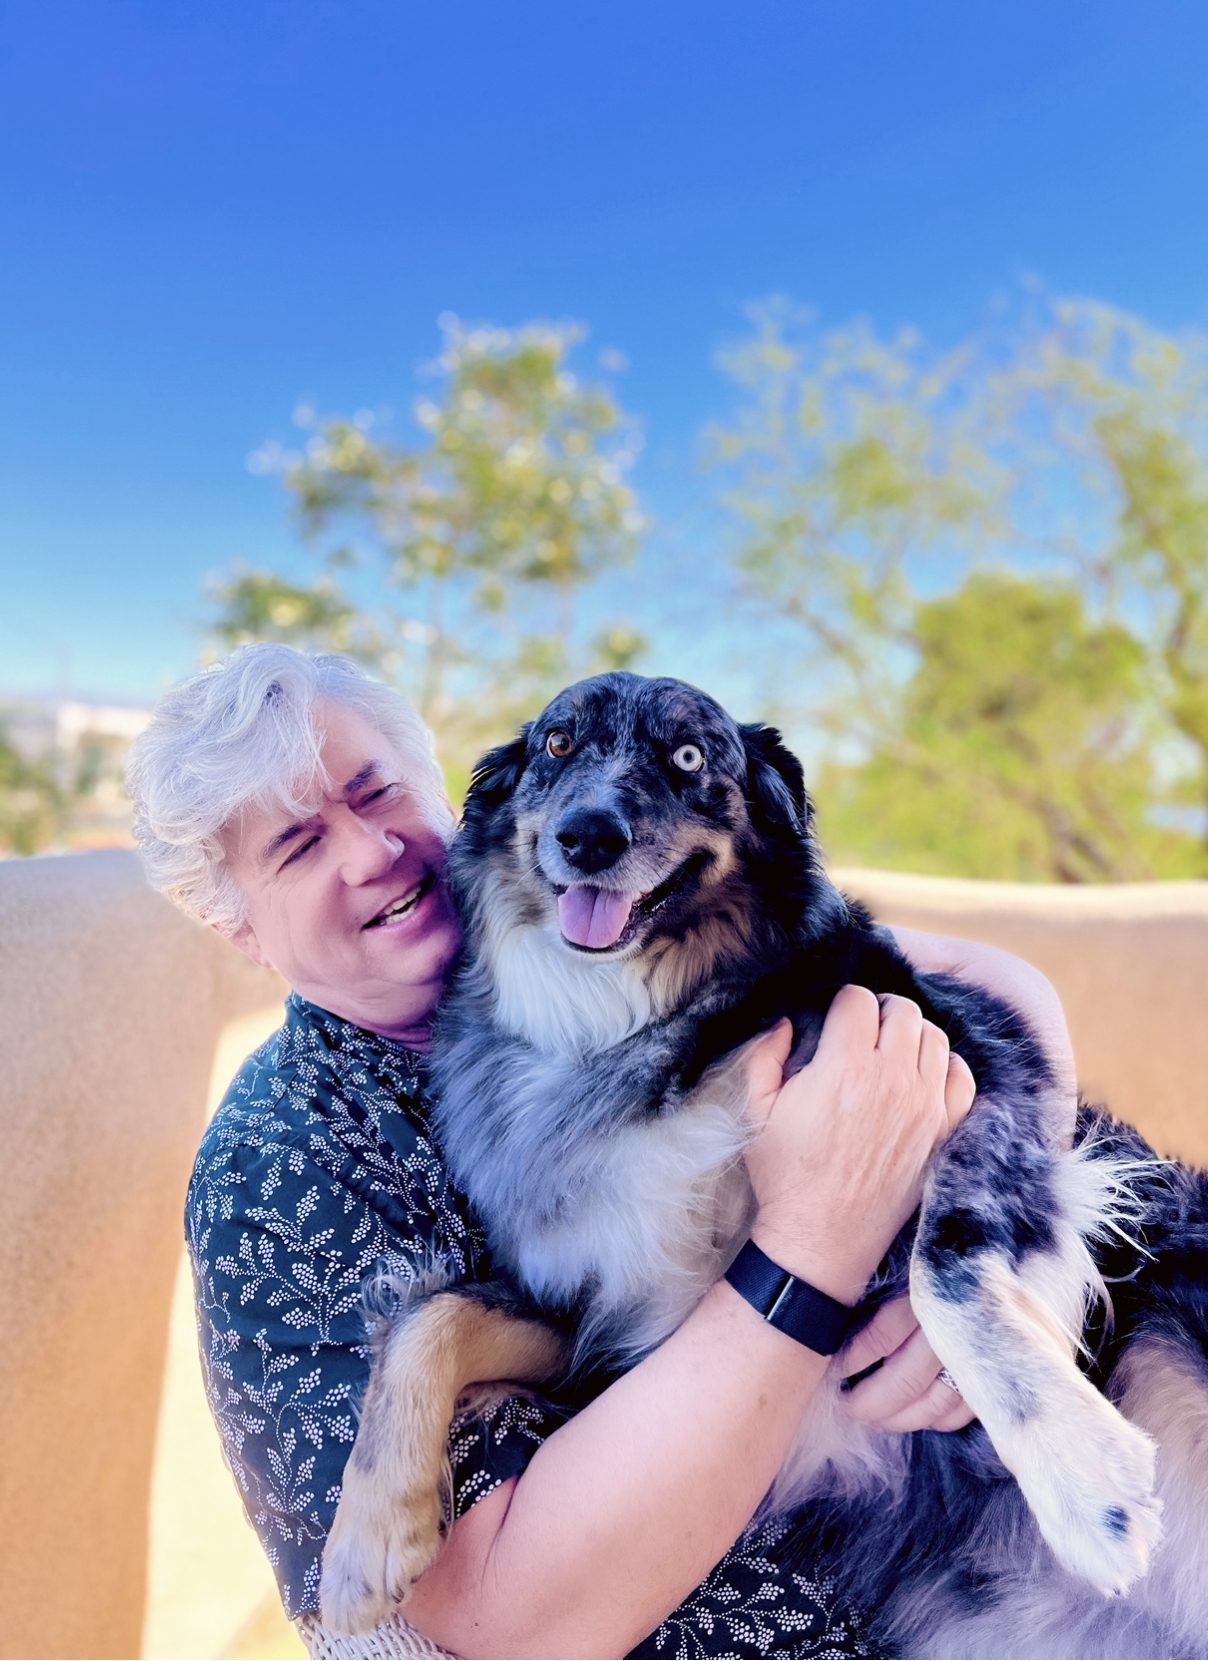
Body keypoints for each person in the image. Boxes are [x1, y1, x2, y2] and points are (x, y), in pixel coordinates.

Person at [128, 644, 1078, 1660]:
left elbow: (984, 986)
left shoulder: (580, 952)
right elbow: (506, 1615)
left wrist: (992, 1282)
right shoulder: (279, 1171)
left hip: (986, 1548)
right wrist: (817, 1244)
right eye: (297, 846)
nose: (370, 855)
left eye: (377, 794)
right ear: (237, 925)